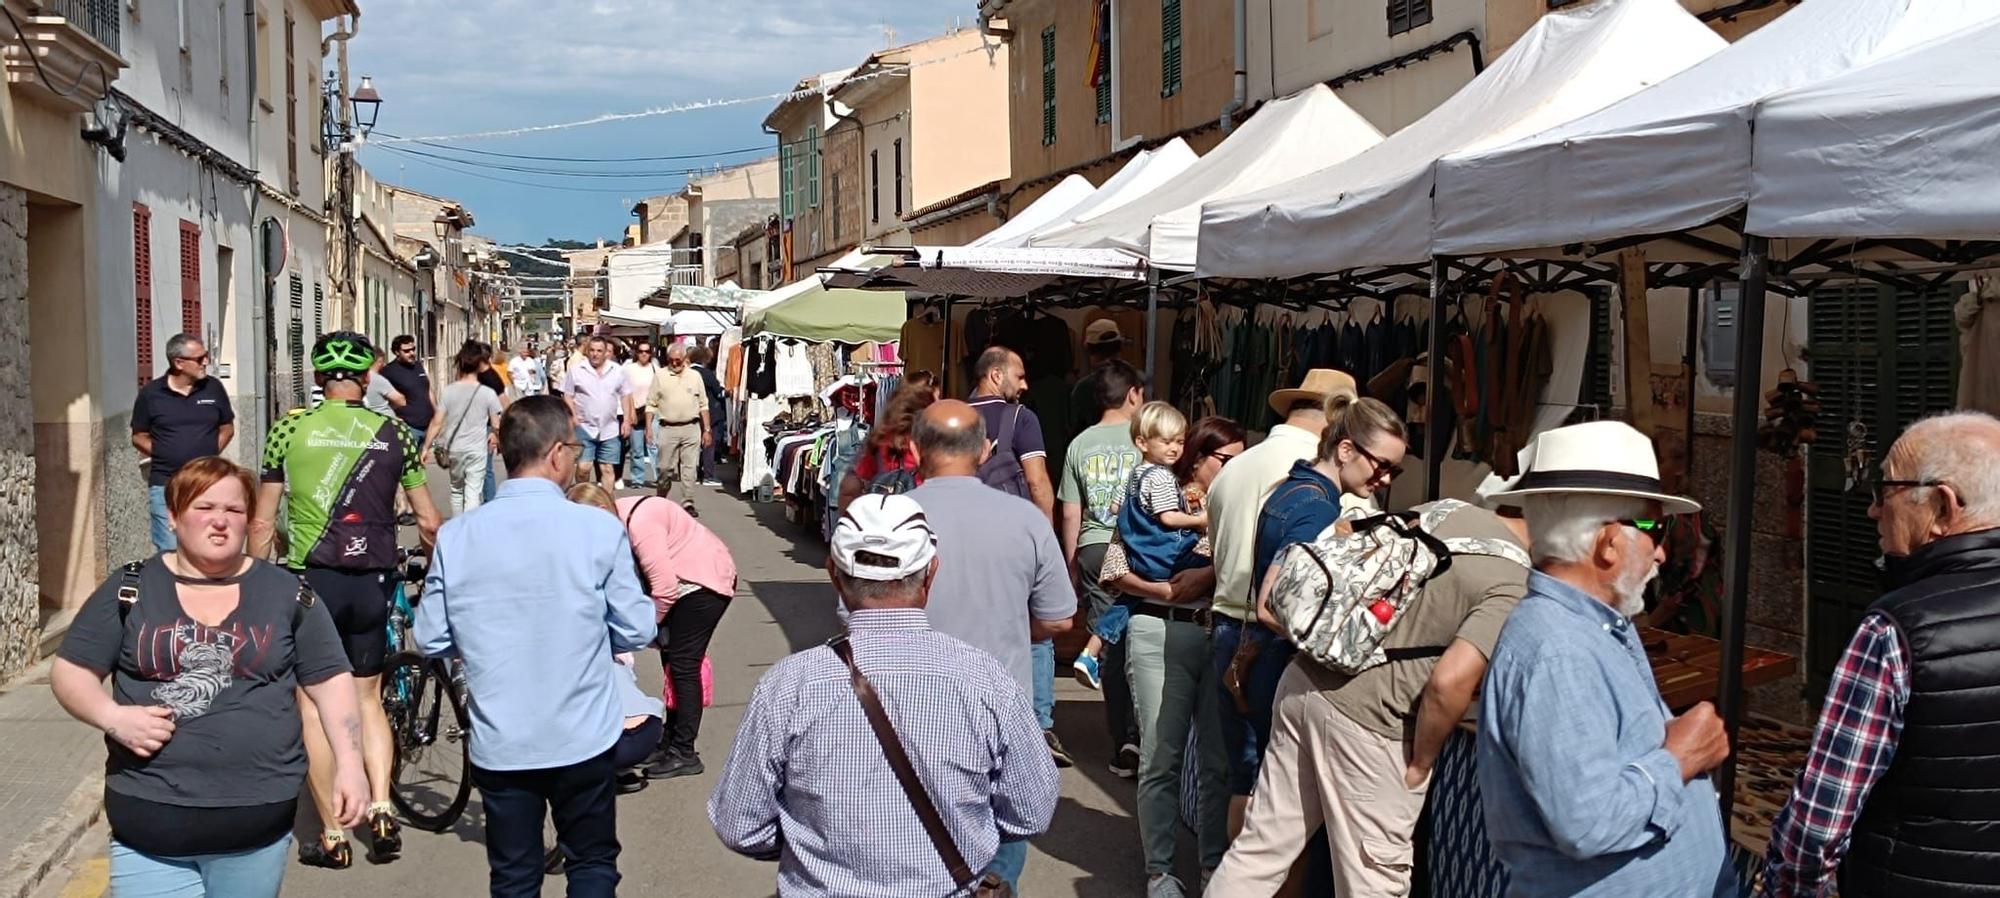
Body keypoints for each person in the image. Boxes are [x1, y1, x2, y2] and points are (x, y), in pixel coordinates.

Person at [1211, 410, 1533, 898]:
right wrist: (1421, 762)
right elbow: (1450, 684)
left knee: (1261, 851)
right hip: (1372, 722)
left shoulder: (1445, 510)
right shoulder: (1512, 578)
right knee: (1374, 882)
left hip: (1303, 682)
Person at [709, 493, 1061, 897]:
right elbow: (1031, 812)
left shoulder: (790, 684)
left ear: (834, 575)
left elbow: (740, 823)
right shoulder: (984, 679)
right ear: (931, 573)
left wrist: (812, 851)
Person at [52, 457, 367, 895]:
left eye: (234, 511)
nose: (220, 522)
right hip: (148, 826)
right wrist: (112, 717)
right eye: (204, 508)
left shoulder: (287, 593)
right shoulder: (130, 588)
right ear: (175, 515)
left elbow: (330, 682)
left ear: (248, 520)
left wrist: (351, 766)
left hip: (255, 826)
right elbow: (70, 671)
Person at [1476, 420, 1734, 897]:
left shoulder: (1596, 623)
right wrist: (1679, 758)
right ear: (1609, 540)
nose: (1661, 553)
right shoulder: (1558, 649)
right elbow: (1587, 822)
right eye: (1655, 529)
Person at [414, 395, 658, 898]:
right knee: (590, 861)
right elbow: (637, 628)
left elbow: (432, 636)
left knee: (514, 875)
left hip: (503, 738)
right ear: (555, 454)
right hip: (582, 733)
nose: (577, 457)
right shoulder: (596, 527)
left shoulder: (458, 537)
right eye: (574, 446)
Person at [1762, 411, 2000, 897]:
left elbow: (1815, 829)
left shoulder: (1894, 630)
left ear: (1942, 506)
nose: (1873, 510)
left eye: (1885, 491)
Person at [251, 330, 441, 869]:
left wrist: (249, 586)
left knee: (311, 705)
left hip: (311, 580)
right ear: (367, 378)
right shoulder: (396, 432)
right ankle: (382, 807)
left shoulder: (288, 429)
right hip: (373, 579)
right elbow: (427, 519)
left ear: (316, 378)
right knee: (366, 699)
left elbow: (263, 521)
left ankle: (333, 834)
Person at [905, 399, 1077, 891]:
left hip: (904, 708)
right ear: (985, 451)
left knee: (909, 843)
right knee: (998, 850)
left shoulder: (889, 517)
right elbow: (1059, 619)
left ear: (915, 449)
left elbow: (854, 615)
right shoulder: (1024, 520)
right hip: (999, 709)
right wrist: (1012, 624)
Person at [1201, 368, 1355, 837]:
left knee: (1243, 778)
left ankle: (1225, 877)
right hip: (1275, 637)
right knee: (1282, 789)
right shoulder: (1320, 473)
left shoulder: (1236, 466)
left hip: (1230, 630)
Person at [1099, 416, 1245, 898]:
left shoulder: (1237, 506)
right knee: (1161, 756)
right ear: (1198, 457)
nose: (1233, 468)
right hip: (1158, 628)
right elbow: (1114, 567)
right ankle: (1159, 870)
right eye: (1226, 459)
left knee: (1218, 762)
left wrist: (1204, 578)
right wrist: (1165, 590)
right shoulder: (1156, 495)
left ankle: (1211, 866)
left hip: (1217, 635)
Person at [569, 482, 739, 781]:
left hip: (703, 584)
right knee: (673, 663)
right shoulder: (618, 519)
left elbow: (664, 588)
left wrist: (647, 628)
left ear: (599, 511)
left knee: (684, 664)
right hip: (687, 584)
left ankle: (684, 752)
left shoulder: (640, 524)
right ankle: (670, 742)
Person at [1075, 402, 1208, 691]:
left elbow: (1114, 506)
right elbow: (1168, 517)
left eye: (1180, 441)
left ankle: (1091, 651)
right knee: (1215, 565)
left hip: (1139, 556)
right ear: (1142, 442)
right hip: (1164, 555)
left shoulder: (1135, 473)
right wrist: (1201, 520)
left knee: (1127, 599)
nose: (1174, 448)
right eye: (1166, 441)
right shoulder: (1161, 477)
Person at [1058, 359, 1146, 776]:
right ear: (1133, 394)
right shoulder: (1145, 441)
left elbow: (1071, 513)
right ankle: (1144, 735)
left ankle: (1124, 740)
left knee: (1108, 643)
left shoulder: (1079, 444)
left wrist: (1072, 563)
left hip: (1095, 547)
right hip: (1140, 550)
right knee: (1143, 640)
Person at [132, 333, 235, 552]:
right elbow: (138, 435)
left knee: (206, 544)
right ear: (178, 363)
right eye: (199, 359)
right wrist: (162, 452)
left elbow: (227, 427)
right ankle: (170, 586)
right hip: (166, 484)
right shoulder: (151, 394)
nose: (205, 362)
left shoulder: (213, 388)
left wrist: (211, 451)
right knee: (169, 548)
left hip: (207, 483)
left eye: (205, 356)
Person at [836, 372, 939, 509]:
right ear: (924, 402)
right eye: (937, 398)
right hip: (921, 514)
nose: (940, 404)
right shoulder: (932, 439)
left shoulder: (880, 437)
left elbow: (852, 486)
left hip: (883, 516)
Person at [428, 341, 505, 514]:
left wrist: (426, 447)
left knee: (457, 490)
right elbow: (496, 421)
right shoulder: (487, 390)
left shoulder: (450, 390)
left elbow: (437, 421)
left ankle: (459, 523)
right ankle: (472, 522)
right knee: (473, 489)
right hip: (478, 441)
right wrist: (498, 436)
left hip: (456, 443)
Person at [561, 335, 635, 488]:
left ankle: (606, 507)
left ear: (606, 352)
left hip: (610, 428)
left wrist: (627, 420)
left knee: (607, 469)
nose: (595, 354)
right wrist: (573, 418)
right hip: (584, 427)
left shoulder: (617, 371)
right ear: (587, 351)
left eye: (599, 351)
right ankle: (583, 499)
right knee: (583, 468)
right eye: (592, 350)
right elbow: (567, 394)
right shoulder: (577, 370)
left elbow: (626, 395)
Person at [647, 343, 712, 515]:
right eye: (672, 360)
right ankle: (661, 497)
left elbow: (703, 404)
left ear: (685, 359)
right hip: (668, 428)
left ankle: (688, 502)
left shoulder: (695, 376)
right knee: (664, 469)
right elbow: (651, 404)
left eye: (678, 360)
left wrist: (707, 430)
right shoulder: (660, 375)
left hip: (691, 427)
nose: (675, 363)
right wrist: (648, 428)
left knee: (690, 468)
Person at [1067, 318, 1129, 438]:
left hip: (1093, 452)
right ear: (1121, 347)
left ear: (1090, 350)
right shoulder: (1137, 382)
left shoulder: (1084, 388)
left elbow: (1073, 430)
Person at [378, 334, 437, 451]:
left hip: (427, 427)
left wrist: (437, 412)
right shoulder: (388, 372)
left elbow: (428, 389)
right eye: (406, 351)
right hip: (409, 428)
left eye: (413, 349)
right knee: (408, 465)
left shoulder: (418, 366)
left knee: (422, 465)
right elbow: (380, 398)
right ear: (396, 352)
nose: (411, 353)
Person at [623, 342, 659, 488]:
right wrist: (630, 411)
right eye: (641, 351)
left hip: (653, 411)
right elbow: (627, 392)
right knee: (636, 448)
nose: (644, 354)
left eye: (647, 351)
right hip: (636, 410)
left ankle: (659, 478)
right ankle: (637, 479)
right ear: (636, 353)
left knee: (653, 445)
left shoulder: (655, 368)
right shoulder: (629, 369)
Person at [691, 344, 728, 486]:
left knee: (695, 445)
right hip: (710, 412)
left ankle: (697, 473)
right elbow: (719, 392)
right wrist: (728, 392)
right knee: (709, 445)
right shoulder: (707, 374)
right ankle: (708, 475)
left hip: (692, 413)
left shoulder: (688, 373)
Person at [362, 349, 408, 418]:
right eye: (383, 361)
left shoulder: (361, 377)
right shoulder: (378, 379)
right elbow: (401, 401)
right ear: (379, 361)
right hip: (385, 419)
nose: (384, 364)